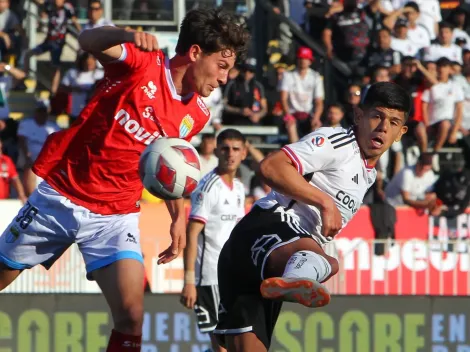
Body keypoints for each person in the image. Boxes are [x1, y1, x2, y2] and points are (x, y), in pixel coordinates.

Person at [0, 8, 249, 352]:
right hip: (62, 196)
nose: (225, 78)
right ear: (195, 53)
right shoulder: (143, 64)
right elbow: (88, 40)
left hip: (115, 217)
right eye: (222, 66)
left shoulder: (198, 114)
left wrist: (177, 215)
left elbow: (167, 165)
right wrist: (127, 36)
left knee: (132, 316)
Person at [212, 82, 411, 351]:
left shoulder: (369, 173)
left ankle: (295, 276)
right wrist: (325, 202)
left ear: (401, 132)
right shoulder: (338, 143)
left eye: (394, 122)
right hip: (268, 230)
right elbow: (271, 167)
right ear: (359, 116)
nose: (383, 127)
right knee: (329, 261)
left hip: (256, 263)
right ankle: (297, 276)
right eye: (377, 115)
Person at [181, 128, 247, 352]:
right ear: (216, 151)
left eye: (236, 149)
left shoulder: (239, 188)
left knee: (233, 344)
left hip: (231, 277)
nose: (230, 154)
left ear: (243, 153)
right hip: (209, 277)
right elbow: (192, 233)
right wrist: (189, 280)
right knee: (221, 347)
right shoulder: (207, 188)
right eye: (225, 148)